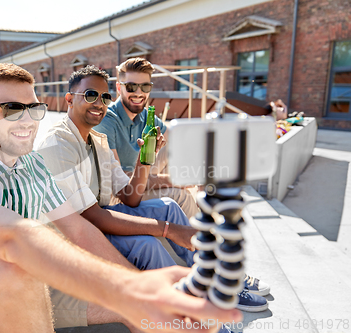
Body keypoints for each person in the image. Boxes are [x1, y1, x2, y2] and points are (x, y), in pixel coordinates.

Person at [0, 63, 242, 333]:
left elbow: (80, 230)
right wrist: (131, 285)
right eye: (12, 109)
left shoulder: (33, 164)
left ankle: (199, 307)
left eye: (33, 109)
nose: (26, 120)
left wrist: (136, 288)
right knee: (10, 269)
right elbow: (11, 239)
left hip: (35, 276)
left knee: (142, 315)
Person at [38, 65, 269, 317]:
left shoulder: (97, 140)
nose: (100, 103)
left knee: (169, 205)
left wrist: (144, 161)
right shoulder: (58, 145)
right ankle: (184, 313)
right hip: (76, 237)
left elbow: (130, 197)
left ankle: (210, 282)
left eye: (105, 97)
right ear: (69, 99)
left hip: (100, 217)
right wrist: (168, 230)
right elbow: (94, 218)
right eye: (91, 95)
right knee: (149, 244)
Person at [93, 57, 199, 219]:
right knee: (180, 195)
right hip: (121, 195)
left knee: (176, 147)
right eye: (131, 86)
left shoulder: (144, 115)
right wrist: (173, 180)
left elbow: (179, 139)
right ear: (119, 87)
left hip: (140, 174)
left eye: (145, 86)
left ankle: (198, 216)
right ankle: (200, 242)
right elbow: (121, 183)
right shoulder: (107, 120)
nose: (139, 93)